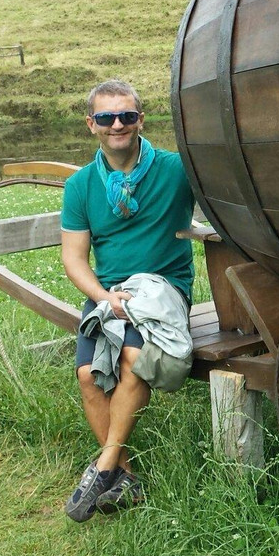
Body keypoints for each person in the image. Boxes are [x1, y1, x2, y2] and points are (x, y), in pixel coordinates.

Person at [60, 79, 195, 521]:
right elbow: (75, 259)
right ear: (91, 125)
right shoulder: (81, 186)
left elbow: (225, 192)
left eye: (127, 116)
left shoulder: (176, 169)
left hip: (161, 290)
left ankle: (101, 469)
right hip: (110, 293)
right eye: (106, 117)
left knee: (131, 359)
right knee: (86, 374)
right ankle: (126, 477)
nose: (117, 124)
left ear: (141, 120)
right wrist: (104, 297)